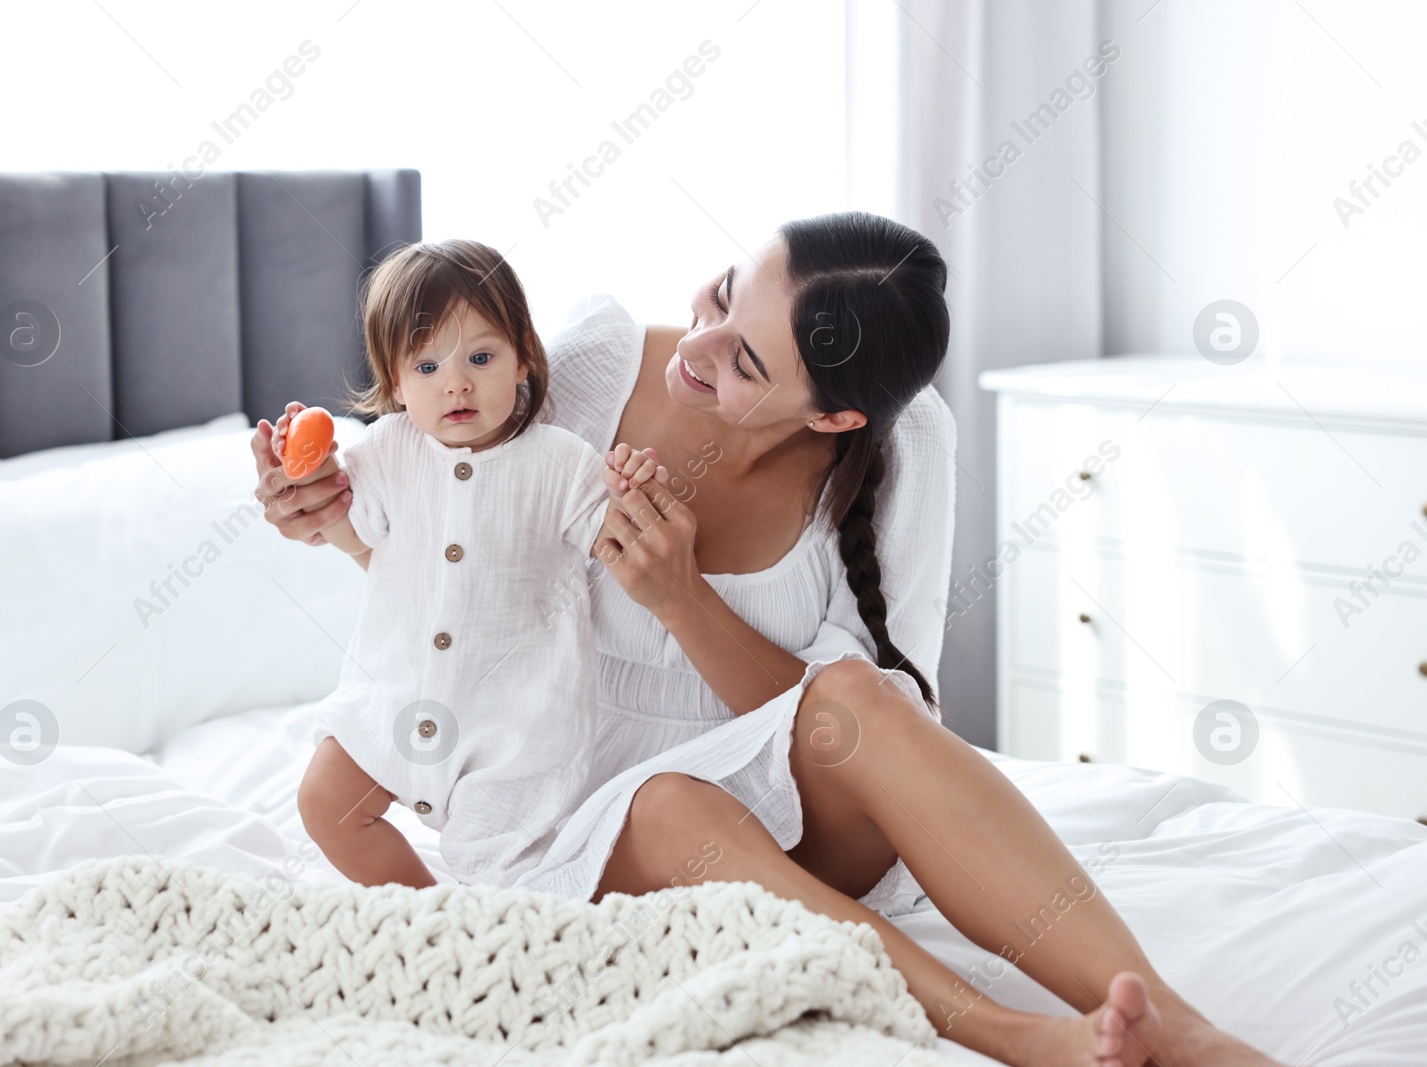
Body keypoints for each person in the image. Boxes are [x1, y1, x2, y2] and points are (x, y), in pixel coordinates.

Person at [254, 213, 1289, 1067]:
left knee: (864, 698)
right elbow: (468, 575)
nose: (696, 349)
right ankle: (1016, 1035)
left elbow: (859, 738)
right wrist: (331, 520)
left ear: (834, 416)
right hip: (597, 814)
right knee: (668, 801)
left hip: (799, 807)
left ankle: (1173, 1020)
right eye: (717, 295)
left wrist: (682, 600)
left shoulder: (907, 442)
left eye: (744, 358)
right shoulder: (596, 361)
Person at [289, 238, 661, 891]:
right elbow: (347, 523)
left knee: (497, 879)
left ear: (523, 359)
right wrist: (307, 472)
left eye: (481, 357)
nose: (456, 382)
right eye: (426, 366)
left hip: (514, 733)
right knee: (325, 802)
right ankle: (425, 911)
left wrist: (635, 496)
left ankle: (476, 928)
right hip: (395, 701)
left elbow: (620, 547)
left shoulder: (559, 461)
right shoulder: (385, 451)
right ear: (395, 381)